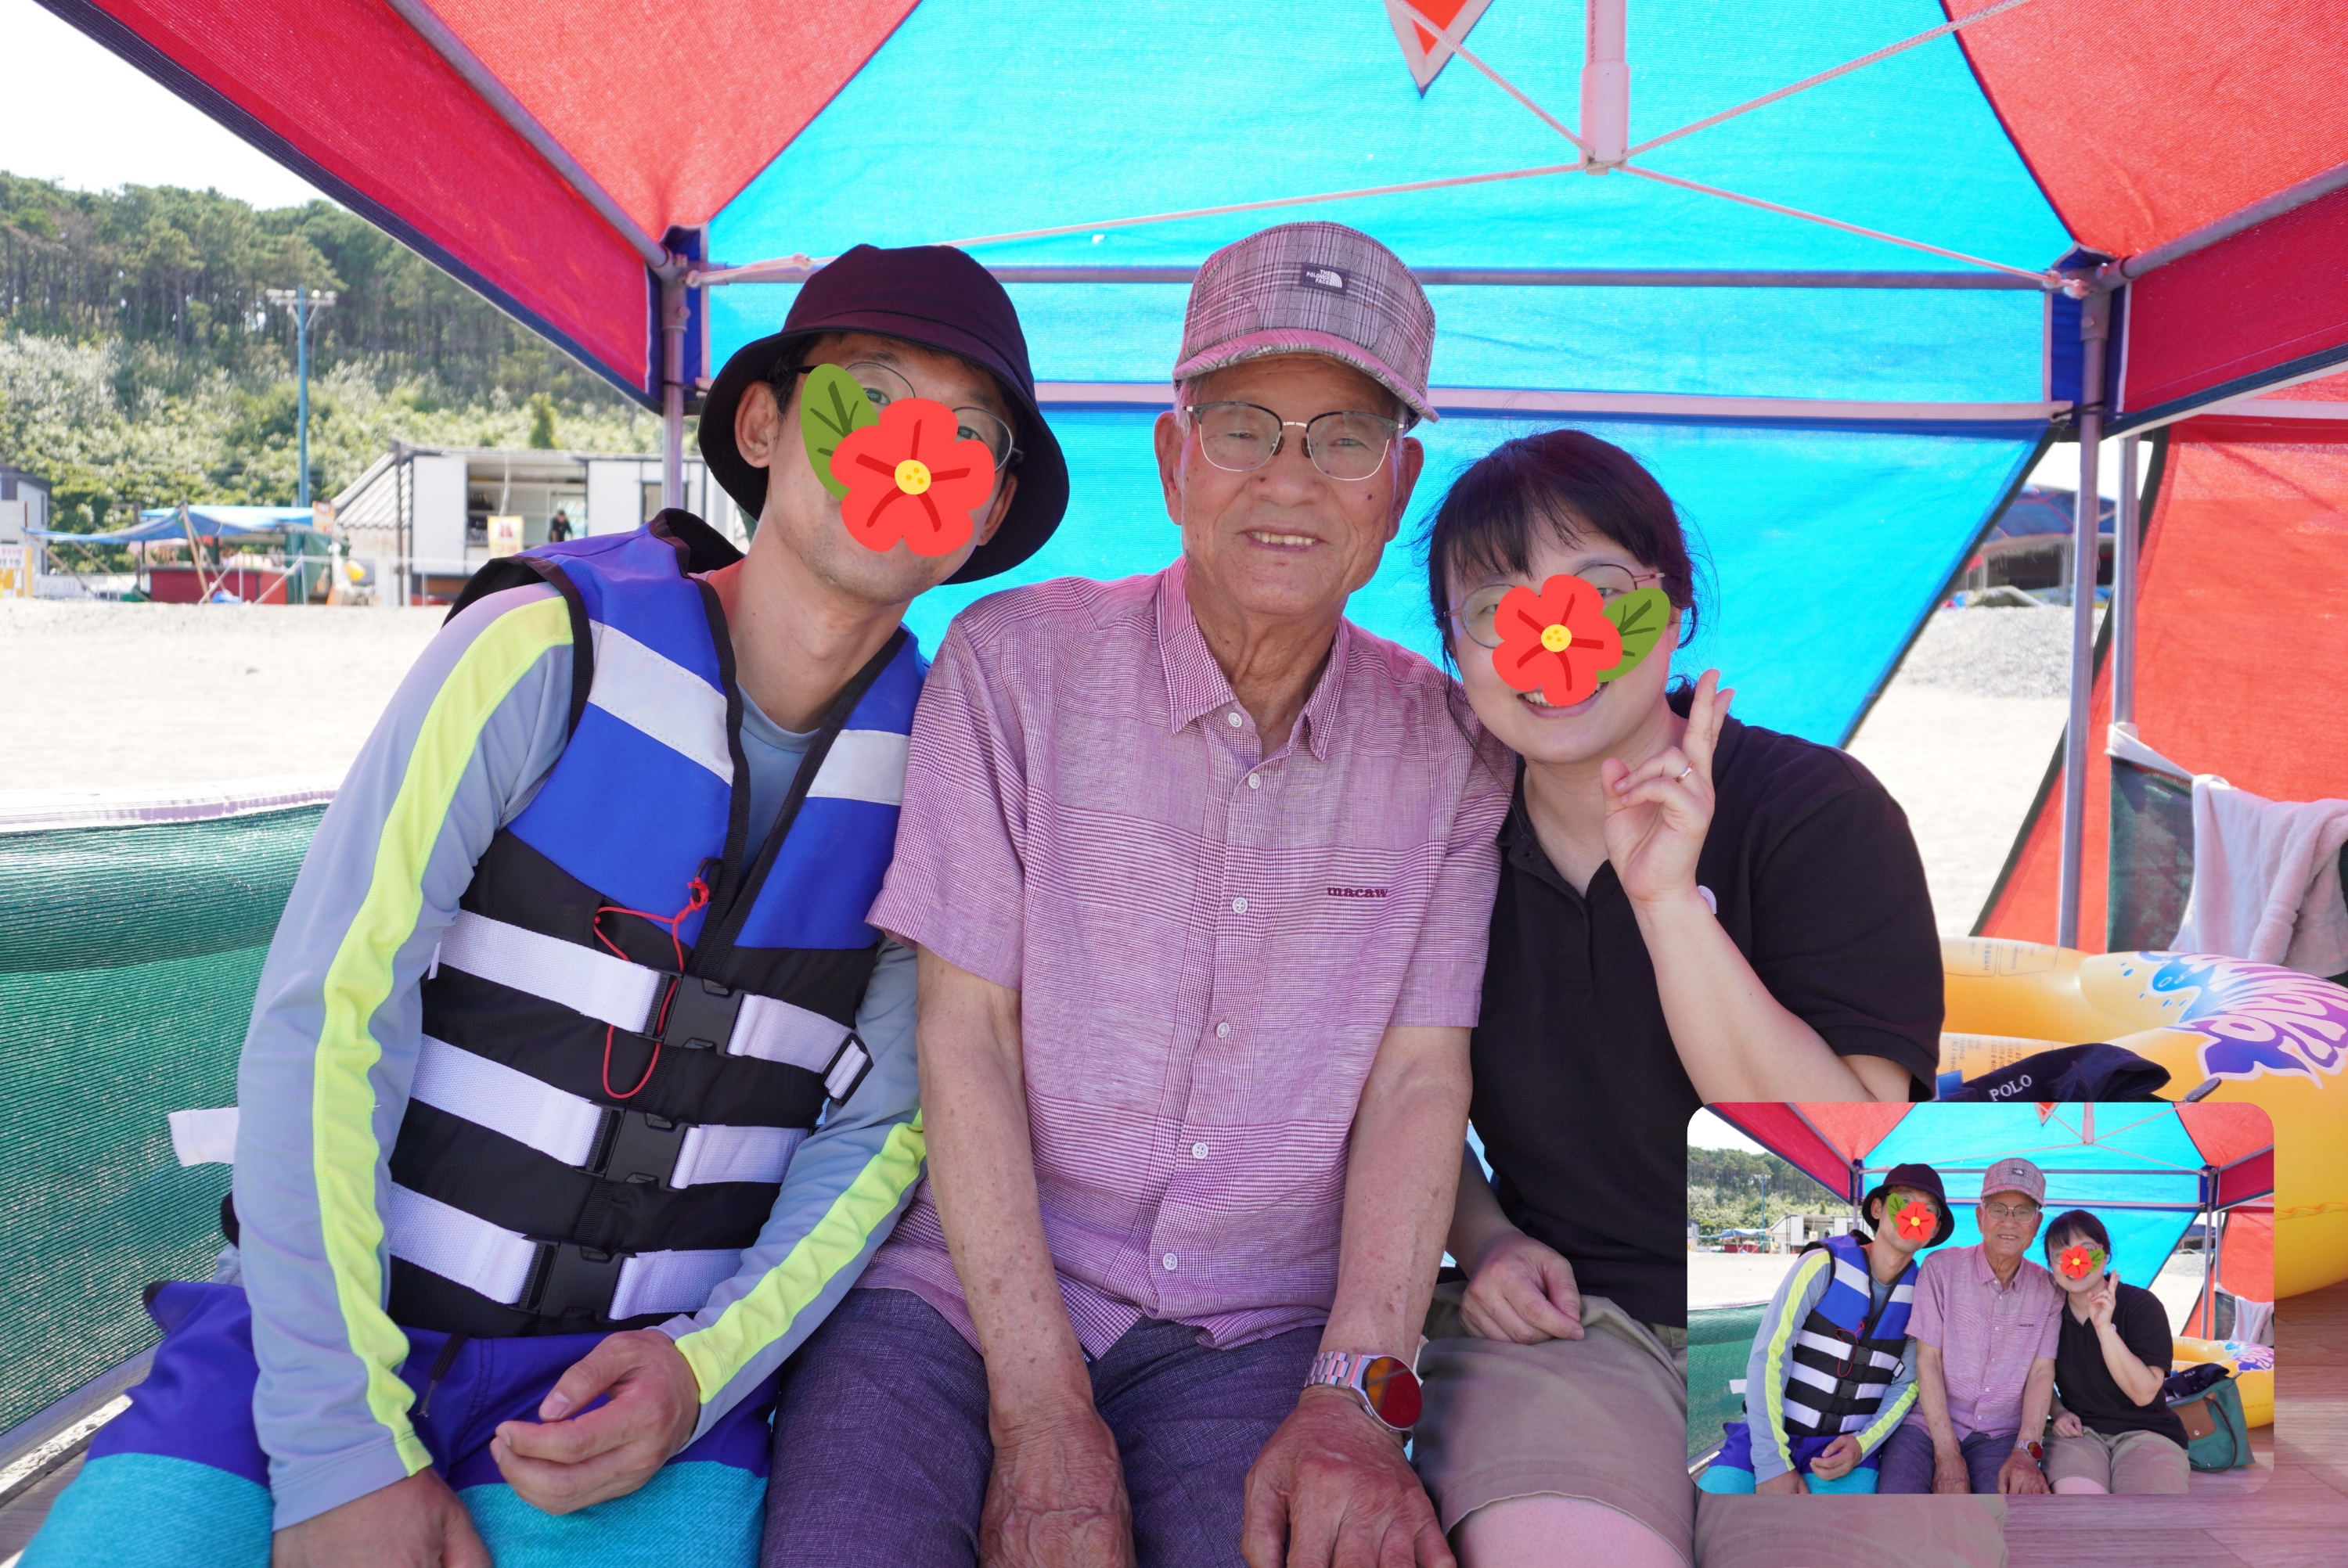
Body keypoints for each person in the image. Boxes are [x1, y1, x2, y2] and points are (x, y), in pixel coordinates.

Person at [23, 244, 1068, 1568]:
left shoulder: (952, 770)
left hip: (638, 1397)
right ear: (761, 422)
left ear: (990, 506)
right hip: (306, 1343)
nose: (915, 449)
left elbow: (884, 1130)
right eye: (870, 392)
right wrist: (342, 1441)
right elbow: (329, 1017)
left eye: (969, 433)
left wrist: (703, 1371)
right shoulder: (540, 647)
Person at [759, 221, 1510, 1568]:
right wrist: (1041, 1406)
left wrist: (1354, 1401)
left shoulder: (1452, 748)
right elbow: (966, 1033)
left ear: (1397, 489)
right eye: (1243, 427)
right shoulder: (1013, 666)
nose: (1289, 479)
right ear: (1173, 460)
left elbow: (1417, 1083)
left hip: (1259, 1333)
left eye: (1345, 438)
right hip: (959, 1293)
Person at [1407, 430, 1943, 1566]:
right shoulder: (1436, 837)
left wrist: (1666, 902)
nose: (1556, 635)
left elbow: (1840, 1153)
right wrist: (1486, 1241)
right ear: (1456, 652)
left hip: (1815, 1315)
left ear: (1677, 609)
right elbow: (1398, 1091)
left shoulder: (1817, 810)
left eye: (1603, 592)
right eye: (1497, 607)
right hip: (1569, 1333)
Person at [1700, 1163, 1955, 1497]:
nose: (1915, 1215)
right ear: (1877, 1209)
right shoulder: (1822, 1264)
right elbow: (1769, 1355)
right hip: (1763, 1439)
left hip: (1845, 1452)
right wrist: (1772, 1462)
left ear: (1934, 1230)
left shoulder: (1923, 1294)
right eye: (1904, 1201)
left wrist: (1862, 1445)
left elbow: (1908, 1385)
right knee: (1711, 1511)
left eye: (1929, 1210)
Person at [1877, 1157, 2063, 1495]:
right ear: (1980, 1217)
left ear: (2036, 1224)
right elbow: (1928, 1361)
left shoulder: (2049, 1289)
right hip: (1926, 1426)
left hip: (2001, 1436)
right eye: (1998, 1209)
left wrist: (2026, 1452)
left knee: (2000, 1518)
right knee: (1897, 1506)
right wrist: (1947, 1455)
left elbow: (2041, 1373)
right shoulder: (1940, 1269)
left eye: (2023, 1212)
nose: (2009, 1222)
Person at [2040, 1210, 2191, 1494]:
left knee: (2141, 1512)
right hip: (2079, 1434)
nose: (2076, 1261)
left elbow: (2143, 1394)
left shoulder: (2141, 1305)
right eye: (2061, 1254)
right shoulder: (2047, 1313)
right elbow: (2037, 1375)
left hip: (2149, 1433)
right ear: (2051, 1265)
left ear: (2106, 1254)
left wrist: (2104, 1328)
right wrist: (2058, 1412)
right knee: (2081, 1507)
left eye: (2087, 1250)